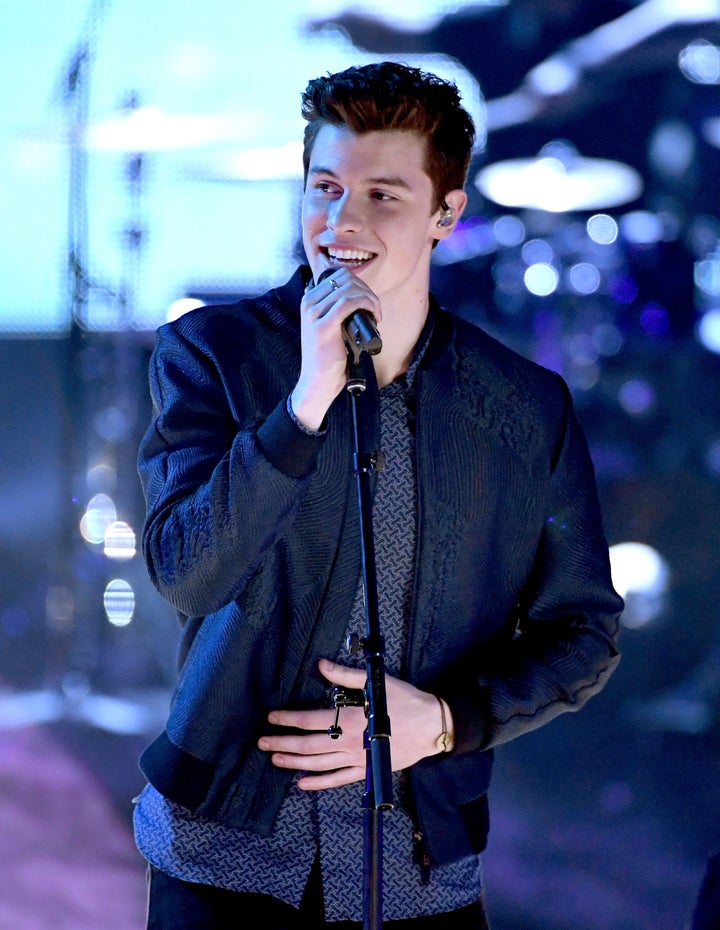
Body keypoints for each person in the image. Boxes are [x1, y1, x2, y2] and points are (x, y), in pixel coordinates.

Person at [133, 61, 623, 929]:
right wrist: (301, 406)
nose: (342, 221)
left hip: (419, 865)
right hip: (227, 853)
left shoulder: (521, 407)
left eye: (383, 195)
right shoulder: (209, 355)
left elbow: (582, 630)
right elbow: (186, 574)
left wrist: (444, 720)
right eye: (325, 187)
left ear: (447, 213)